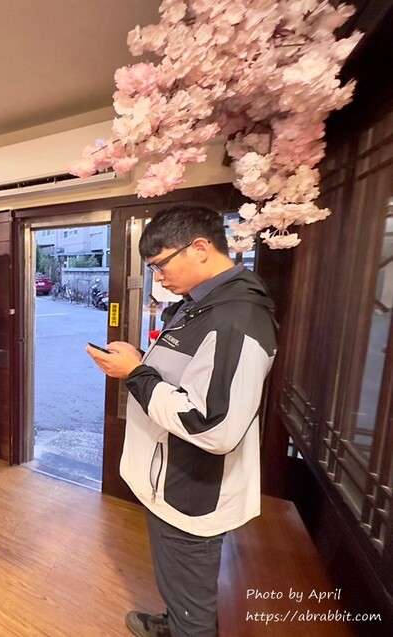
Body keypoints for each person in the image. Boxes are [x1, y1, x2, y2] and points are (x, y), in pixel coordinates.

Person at [86, 204, 277, 637]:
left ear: (200, 248)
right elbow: (186, 378)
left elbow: (212, 425)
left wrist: (135, 373)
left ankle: (184, 626)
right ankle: (173, 622)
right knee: (177, 581)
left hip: (193, 488)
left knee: (194, 601)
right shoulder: (199, 305)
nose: (158, 278)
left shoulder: (235, 320)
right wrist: (137, 361)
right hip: (170, 475)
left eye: (160, 265)